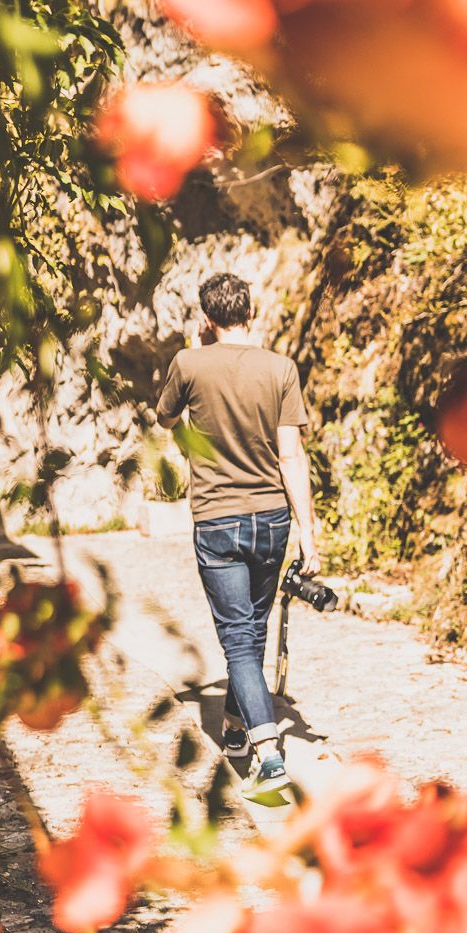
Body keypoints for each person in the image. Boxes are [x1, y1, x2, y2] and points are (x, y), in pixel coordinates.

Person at [156, 272, 320, 801]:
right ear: (254, 312)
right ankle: (234, 728)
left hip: (218, 520)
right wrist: (309, 534)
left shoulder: (188, 364)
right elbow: (291, 455)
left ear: (206, 319)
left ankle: (269, 755)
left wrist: (195, 449)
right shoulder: (281, 369)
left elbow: (165, 418)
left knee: (237, 640)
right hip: (272, 518)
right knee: (251, 630)